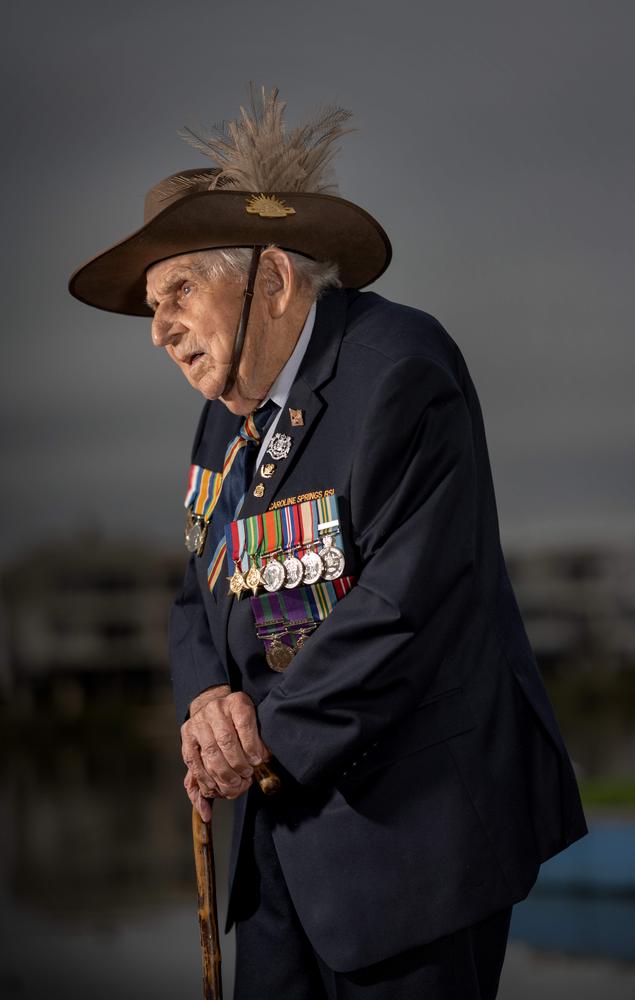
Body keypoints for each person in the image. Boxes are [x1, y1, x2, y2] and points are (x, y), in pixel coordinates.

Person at [69, 86, 587, 1000]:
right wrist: (205, 707)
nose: (159, 331)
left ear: (270, 280)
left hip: (418, 851)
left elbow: (407, 608)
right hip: (281, 861)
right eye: (153, 306)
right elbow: (198, 596)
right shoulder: (221, 424)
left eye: (179, 290)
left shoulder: (403, 370)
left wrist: (254, 738)